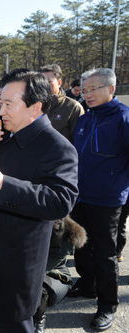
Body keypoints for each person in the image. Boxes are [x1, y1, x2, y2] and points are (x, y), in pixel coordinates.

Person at [0, 70, 79, 332]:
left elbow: (61, 200)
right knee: (0, 314)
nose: (1, 109)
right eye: (0, 102)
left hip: (19, 255)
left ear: (35, 107)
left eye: (8, 103)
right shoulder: (8, 136)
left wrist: (4, 183)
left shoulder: (57, 147)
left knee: (15, 320)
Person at [68, 68, 129, 331]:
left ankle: (107, 305)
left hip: (107, 200)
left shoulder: (123, 118)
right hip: (80, 195)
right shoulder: (86, 117)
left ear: (111, 89)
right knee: (80, 245)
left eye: (93, 89)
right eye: (85, 89)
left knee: (105, 254)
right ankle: (87, 284)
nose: (87, 94)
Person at [33, 216, 87, 333]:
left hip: (55, 273)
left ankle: (39, 317)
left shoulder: (59, 225)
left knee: (37, 287)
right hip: (25, 265)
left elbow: (54, 259)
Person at [39, 64, 84, 142]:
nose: (44, 85)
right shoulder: (32, 105)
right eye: (41, 82)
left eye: (49, 81)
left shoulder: (73, 107)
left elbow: (78, 141)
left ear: (59, 83)